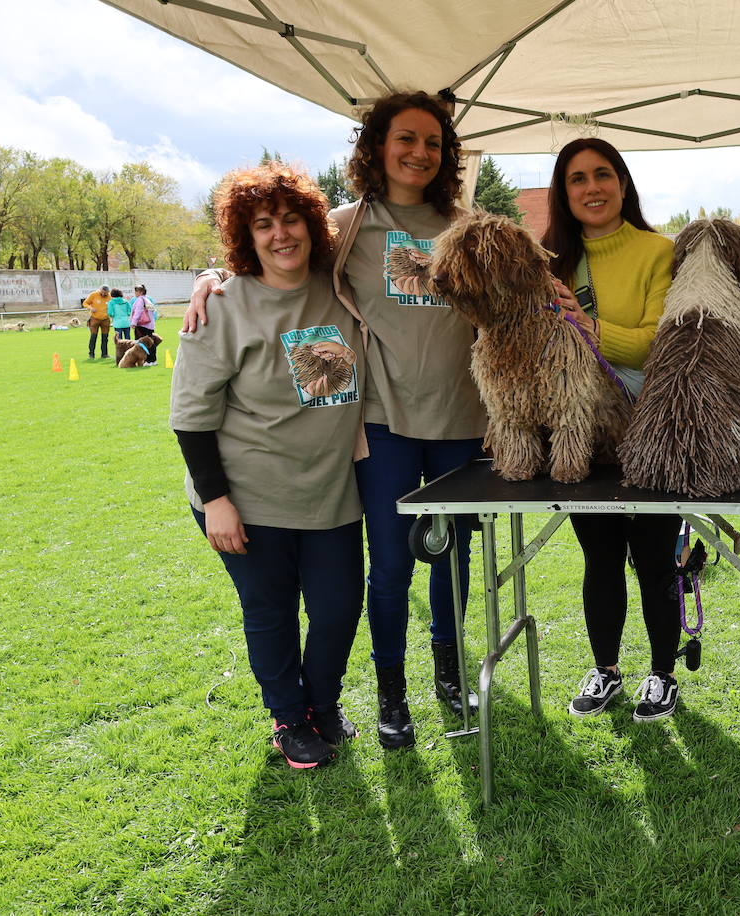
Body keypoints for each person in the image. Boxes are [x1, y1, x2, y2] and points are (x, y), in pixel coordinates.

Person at [184, 91, 485, 748]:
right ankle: (391, 692)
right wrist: (213, 278)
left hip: (463, 422)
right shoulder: (344, 228)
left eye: (433, 142)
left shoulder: (468, 227)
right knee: (392, 567)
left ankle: (450, 670)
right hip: (383, 424)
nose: (419, 153)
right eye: (405, 138)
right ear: (377, 147)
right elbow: (268, 264)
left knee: (453, 558)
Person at [171, 162, 366, 769]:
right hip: (247, 496)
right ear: (245, 237)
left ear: (312, 224)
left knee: (338, 608)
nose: (281, 234)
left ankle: (323, 704)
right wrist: (217, 502)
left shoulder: (340, 284)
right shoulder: (225, 305)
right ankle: (289, 718)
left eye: (291, 220)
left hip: (331, 493)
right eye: (263, 225)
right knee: (272, 611)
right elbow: (191, 413)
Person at [539, 138, 681, 722]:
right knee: (599, 558)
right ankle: (606, 669)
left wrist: (585, 323)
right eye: (577, 178)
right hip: (578, 438)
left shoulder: (659, 251)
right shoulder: (546, 259)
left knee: (654, 560)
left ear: (622, 183)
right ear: (563, 192)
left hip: (650, 431)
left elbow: (656, 343)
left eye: (603, 174)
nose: (591, 187)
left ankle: (663, 675)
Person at [131, 285, 158, 365]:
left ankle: (147, 360)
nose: (135, 293)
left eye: (136, 291)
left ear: (140, 292)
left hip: (142, 325)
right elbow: (153, 311)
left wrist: (133, 323)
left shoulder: (139, 300)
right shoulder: (147, 299)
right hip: (149, 325)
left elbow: (138, 312)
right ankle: (153, 360)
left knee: (142, 343)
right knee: (150, 343)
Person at [83, 285, 111, 359]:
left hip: (105, 319)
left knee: (105, 337)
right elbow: (85, 303)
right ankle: (91, 354)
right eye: (103, 292)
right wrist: (90, 308)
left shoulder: (110, 297)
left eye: (106, 293)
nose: (104, 294)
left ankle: (104, 354)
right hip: (95, 319)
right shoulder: (93, 295)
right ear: (100, 290)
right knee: (93, 337)